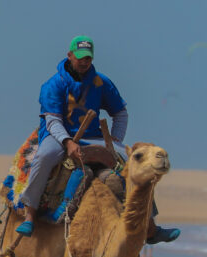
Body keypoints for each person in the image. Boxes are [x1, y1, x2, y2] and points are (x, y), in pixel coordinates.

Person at [16, 35, 179, 244]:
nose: (84, 62)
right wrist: (68, 142)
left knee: (132, 166)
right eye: (80, 57)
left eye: (88, 58)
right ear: (70, 55)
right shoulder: (53, 85)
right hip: (58, 136)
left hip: (93, 137)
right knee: (44, 157)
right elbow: (53, 120)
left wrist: (116, 138)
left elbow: (120, 113)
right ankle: (30, 214)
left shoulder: (101, 82)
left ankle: (150, 227)